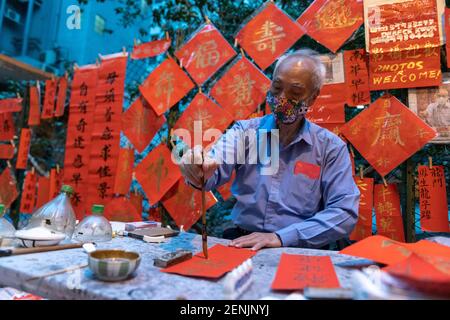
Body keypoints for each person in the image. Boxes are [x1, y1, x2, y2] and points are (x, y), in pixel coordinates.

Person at [178, 49, 360, 250]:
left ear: (313, 98)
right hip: (243, 241)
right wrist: (198, 168)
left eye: (295, 93)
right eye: (277, 87)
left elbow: (344, 212)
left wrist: (281, 237)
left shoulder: (330, 148)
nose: (282, 99)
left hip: (299, 249)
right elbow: (213, 167)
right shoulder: (245, 132)